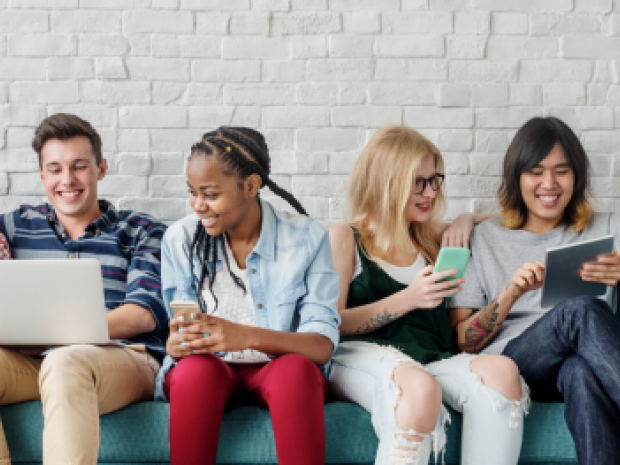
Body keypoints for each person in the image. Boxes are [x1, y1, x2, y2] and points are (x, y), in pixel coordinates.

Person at [328, 125, 529, 465]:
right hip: (361, 356)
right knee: (418, 387)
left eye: (434, 180)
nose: (430, 192)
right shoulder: (346, 237)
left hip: (429, 359)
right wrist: (409, 298)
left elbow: (512, 218)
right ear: (386, 183)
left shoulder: (433, 237)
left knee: (503, 372)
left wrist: (466, 218)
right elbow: (331, 323)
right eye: (418, 182)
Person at [153, 126, 341, 465]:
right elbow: (180, 329)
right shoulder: (180, 239)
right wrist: (175, 344)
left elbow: (321, 345)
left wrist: (245, 337)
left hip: (280, 370)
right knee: (194, 372)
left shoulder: (307, 239)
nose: (198, 205)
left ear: (252, 186)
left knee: (295, 372)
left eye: (210, 194)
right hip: (209, 371)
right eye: (192, 192)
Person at [450, 116, 620, 465]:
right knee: (581, 309)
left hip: (581, 362)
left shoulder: (607, 227)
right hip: (515, 363)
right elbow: (465, 342)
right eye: (536, 171)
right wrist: (510, 292)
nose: (549, 183)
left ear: (577, 177)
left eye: (561, 170)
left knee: (580, 372)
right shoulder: (484, 239)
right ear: (517, 177)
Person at [0, 113, 168, 465]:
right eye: (56, 169)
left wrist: (46, 337)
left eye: (79, 166)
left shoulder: (140, 231)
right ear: (42, 175)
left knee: (65, 361)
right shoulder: (14, 227)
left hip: (124, 359)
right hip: (36, 365)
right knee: (60, 362)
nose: (67, 180)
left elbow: (142, 315)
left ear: (101, 168)